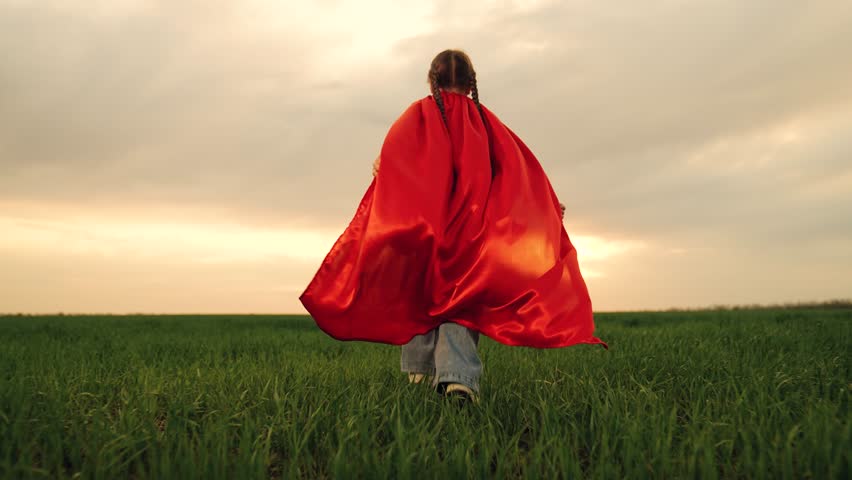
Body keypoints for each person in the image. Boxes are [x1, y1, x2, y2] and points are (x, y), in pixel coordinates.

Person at [300, 49, 605, 403]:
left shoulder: (418, 116)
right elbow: (518, 175)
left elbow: (389, 166)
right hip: (468, 235)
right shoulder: (486, 122)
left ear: (433, 80)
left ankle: (418, 376)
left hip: (425, 233)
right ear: (472, 82)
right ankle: (457, 380)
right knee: (460, 301)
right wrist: (546, 208)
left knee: (419, 294)